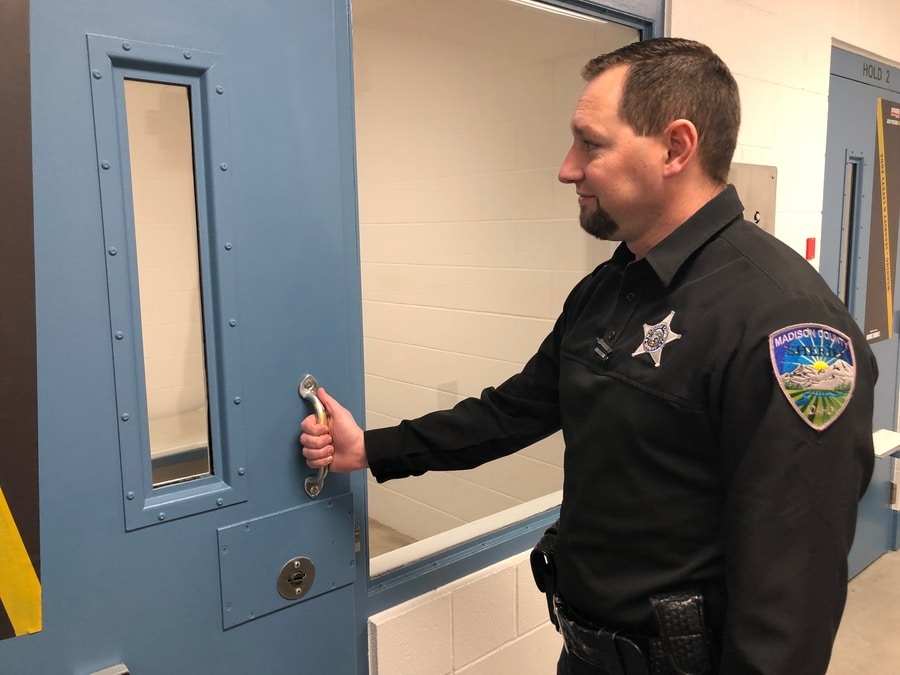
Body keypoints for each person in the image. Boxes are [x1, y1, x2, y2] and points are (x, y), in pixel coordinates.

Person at [300, 37, 877, 674]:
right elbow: (514, 411)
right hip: (587, 655)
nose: (567, 169)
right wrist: (371, 449)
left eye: (590, 144)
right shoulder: (611, 286)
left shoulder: (789, 326)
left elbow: (790, 598)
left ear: (675, 148)